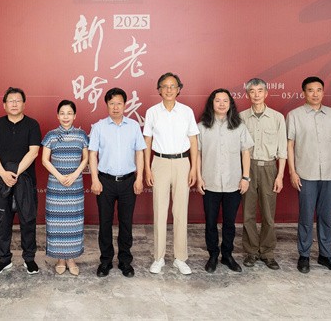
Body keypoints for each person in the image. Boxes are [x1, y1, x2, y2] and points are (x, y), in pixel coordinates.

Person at [286, 76, 331, 274]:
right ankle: (304, 255)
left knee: (326, 217)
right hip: (306, 173)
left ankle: (326, 255)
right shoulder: (295, 115)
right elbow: (290, 145)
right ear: (303, 93)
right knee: (306, 216)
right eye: (310, 90)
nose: (315, 94)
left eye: (319, 90)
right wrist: (292, 171)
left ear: (323, 92)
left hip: (330, 173)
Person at [143, 72, 200, 275]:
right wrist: (147, 168)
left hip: (182, 162)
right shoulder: (152, 112)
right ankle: (158, 258)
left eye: (173, 86)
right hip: (159, 162)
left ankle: (180, 258)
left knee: (180, 211)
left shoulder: (186, 111)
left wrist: (194, 168)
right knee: (160, 211)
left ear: (178, 89)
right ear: (159, 90)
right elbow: (147, 141)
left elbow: (193, 141)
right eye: (165, 86)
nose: (169, 89)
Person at [89, 88, 146, 278]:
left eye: (119, 103)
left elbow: (140, 152)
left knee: (126, 223)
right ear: (106, 105)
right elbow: (92, 154)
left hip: (128, 181)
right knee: (105, 223)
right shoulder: (99, 127)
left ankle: (125, 261)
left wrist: (139, 178)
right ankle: (105, 261)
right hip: (105, 181)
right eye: (112, 103)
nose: (115, 107)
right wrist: (95, 179)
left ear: (125, 105)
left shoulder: (133, 126)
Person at [196, 89, 253, 273]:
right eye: (217, 100)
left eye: (225, 101)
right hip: (209, 182)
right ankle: (213, 255)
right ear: (211, 103)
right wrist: (198, 177)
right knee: (210, 222)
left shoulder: (239, 126)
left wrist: (245, 177)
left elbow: (246, 152)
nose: (221, 104)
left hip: (233, 182)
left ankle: (227, 255)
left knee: (230, 222)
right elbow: (197, 154)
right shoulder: (202, 127)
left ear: (230, 104)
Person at [0, 87, 42, 276]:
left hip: (25, 180)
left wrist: (15, 173)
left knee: (28, 220)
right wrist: (4, 174)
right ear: (4, 104)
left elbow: (33, 152)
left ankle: (29, 259)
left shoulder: (32, 125)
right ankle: (4, 260)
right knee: (3, 222)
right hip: (1, 180)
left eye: (18, 100)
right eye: (10, 101)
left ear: (24, 104)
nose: (14, 104)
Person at [239, 78, 287, 270]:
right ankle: (251, 251)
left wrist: (280, 175)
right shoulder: (241, 117)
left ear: (266, 93)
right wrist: (243, 174)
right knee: (248, 213)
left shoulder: (277, 118)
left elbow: (282, 150)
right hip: (248, 167)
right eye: (252, 91)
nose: (256, 94)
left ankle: (267, 252)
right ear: (247, 94)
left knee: (268, 214)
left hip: (269, 168)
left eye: (260, 91)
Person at [40, 100, 89, 275]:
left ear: (75, 116)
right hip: (56, 185)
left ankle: (72, 258)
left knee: (74, 222)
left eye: (69, 113)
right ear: (57, 116)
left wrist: (75, 174)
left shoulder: (81, 135)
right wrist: (59, 176)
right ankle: (60, 258)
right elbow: (44, 160)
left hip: (75, 184)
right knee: (56, 223)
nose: (65, 116)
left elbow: (86, 158)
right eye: (62, 113)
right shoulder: (51, 135)